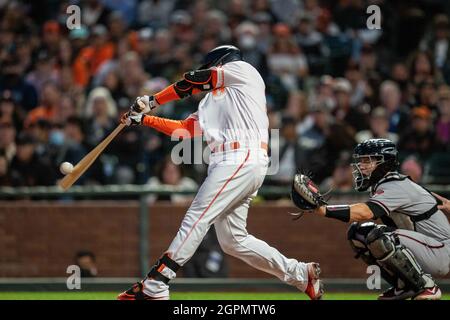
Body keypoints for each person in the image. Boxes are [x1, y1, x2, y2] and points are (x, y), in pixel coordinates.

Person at [118, 45, 323, 300]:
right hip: (237, 162)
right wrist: (143, 119)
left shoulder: (242, 70)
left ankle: (157, 283)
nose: (207, 73)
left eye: (210, 68)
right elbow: (182, 129)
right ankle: (300, 274)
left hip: (240, 156)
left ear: (220, 62)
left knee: (197, 216)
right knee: (233, 240)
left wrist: (152, 101)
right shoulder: (212, 102)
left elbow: (195, 80)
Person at [294, 139, 450, 300]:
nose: (361, 166)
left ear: (385, 162)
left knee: (378, 236)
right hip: (428, 248)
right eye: (361, 160)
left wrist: (323, 209)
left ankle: (427, 286)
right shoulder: (392, 183)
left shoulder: (394, 185)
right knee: (358, 233)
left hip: (438, 251)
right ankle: (403, 286)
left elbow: (364, 212)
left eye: (368, 160)